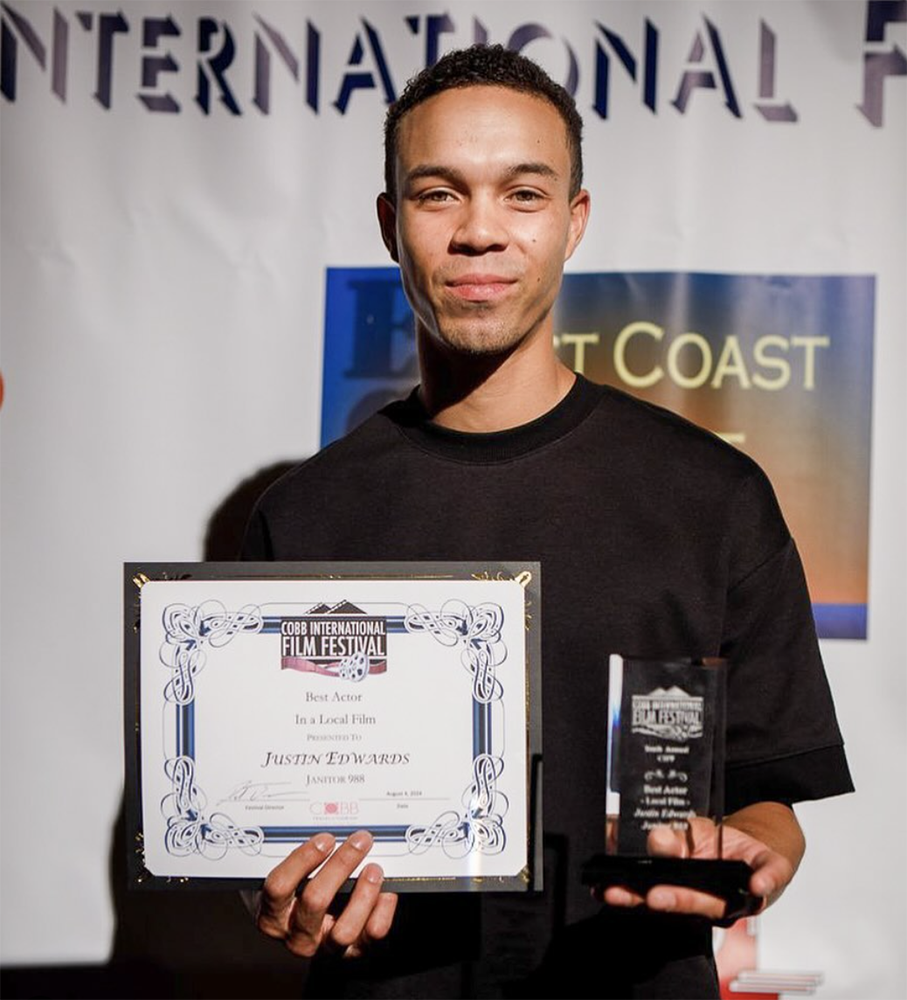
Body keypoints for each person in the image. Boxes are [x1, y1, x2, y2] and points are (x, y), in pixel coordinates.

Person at [241, 44, 853, 999]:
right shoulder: (307, 513)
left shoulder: (712, 495)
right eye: (438, 193)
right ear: (389, 222)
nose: (480, 232)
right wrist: (278, 891)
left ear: (574, 222)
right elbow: (268, 820)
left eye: (522, 194)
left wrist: (753, 850)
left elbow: (768, 797)